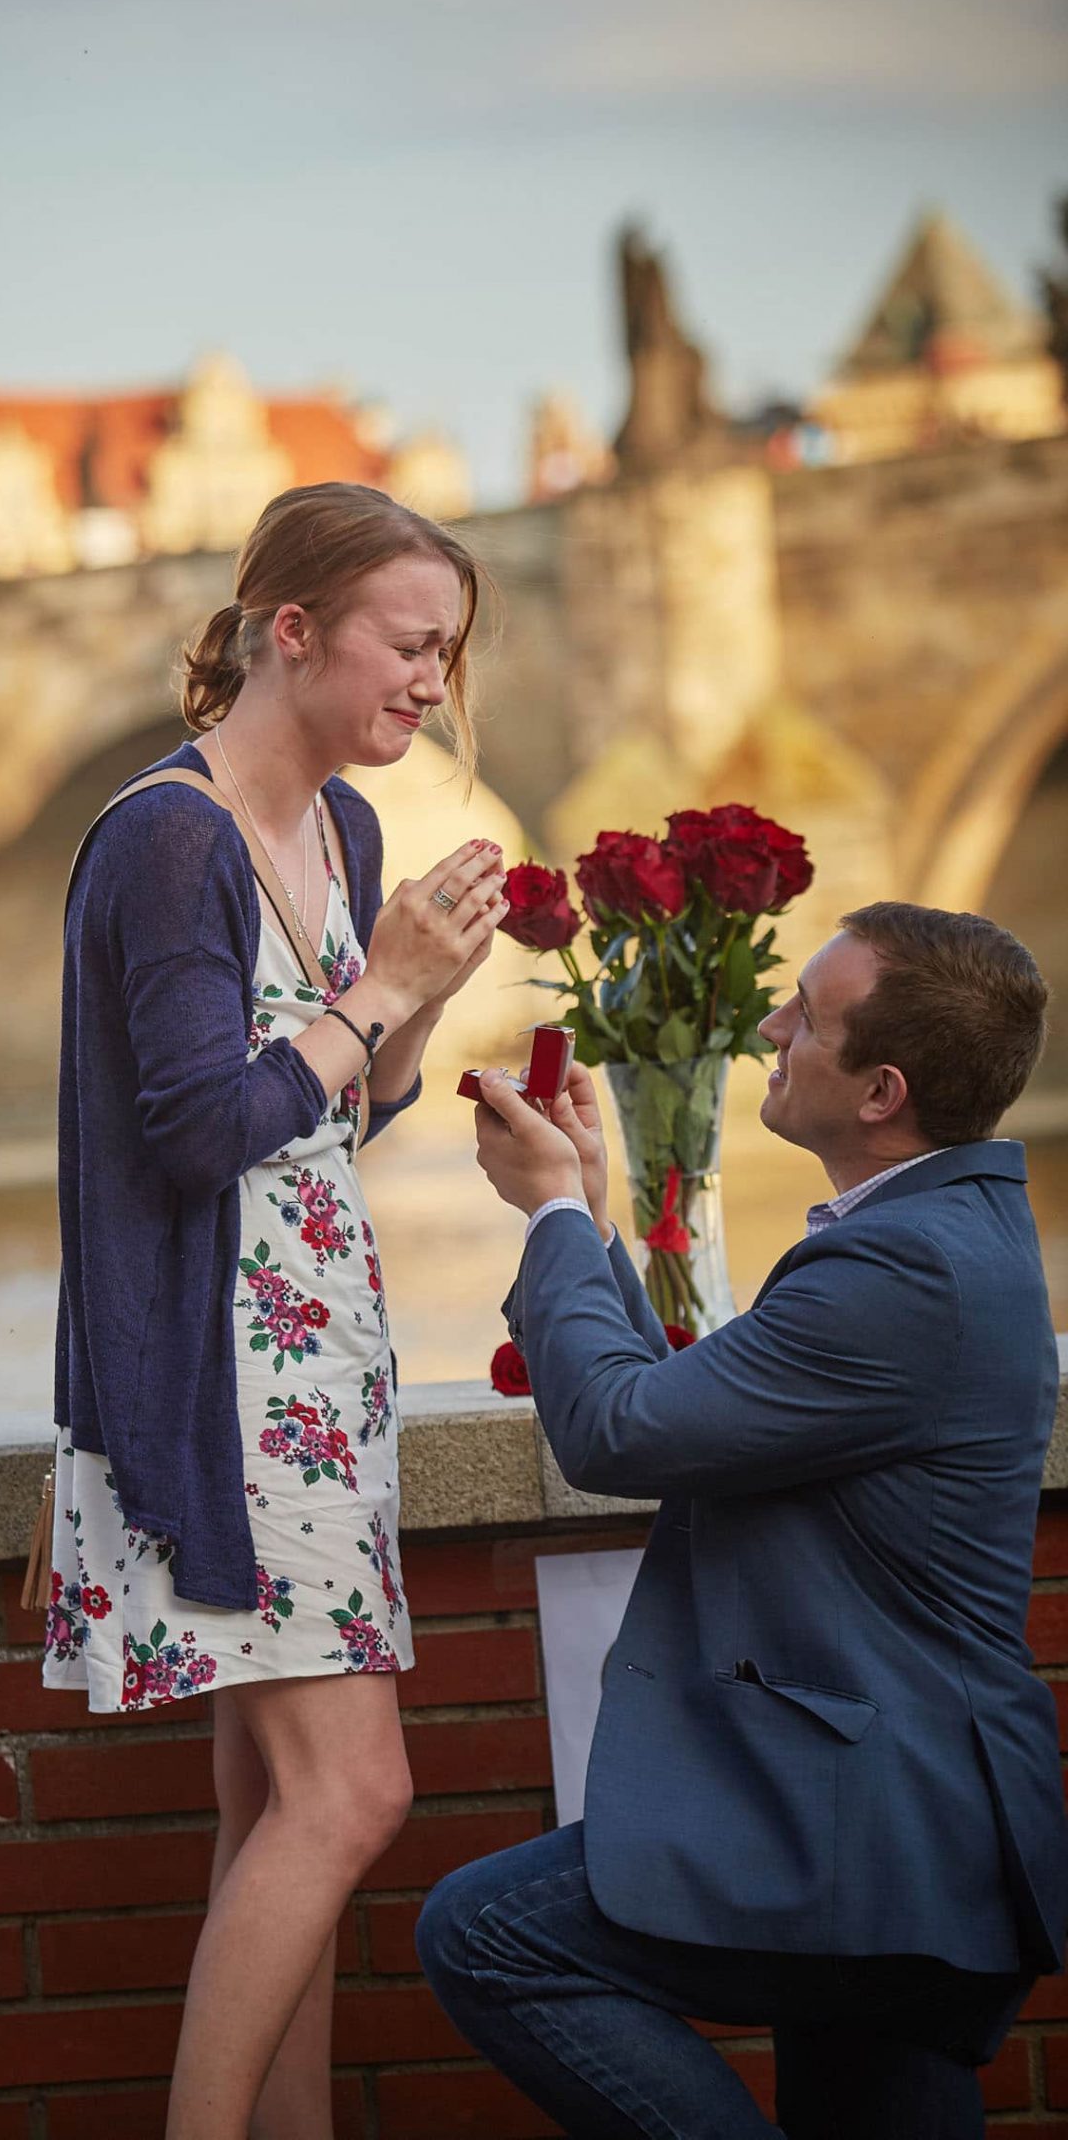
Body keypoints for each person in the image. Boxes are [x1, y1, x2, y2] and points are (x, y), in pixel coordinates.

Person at [418, 902, 1068, 2140]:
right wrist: (596, 1219)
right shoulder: (935, 1236)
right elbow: (689, 1410)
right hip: (906, 1829)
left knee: (488, 1934)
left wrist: (551, 1218)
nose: (769, 1022)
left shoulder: (904, 1269)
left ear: (880, 1091)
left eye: (805, 1017)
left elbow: (616, 1434)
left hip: (878, 1832)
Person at [47, 482, 509, 2140]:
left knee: (279, 1814)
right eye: (409, 644)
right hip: (225, 1386)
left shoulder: (348, 832)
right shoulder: (164, 835)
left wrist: (411, 1011)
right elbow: (190, 1131)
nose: (430, 686)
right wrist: (376, 985)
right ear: (289, 630)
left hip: (324, 1362)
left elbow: (320, 1116)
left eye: (445, 653)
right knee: (353, 1791)